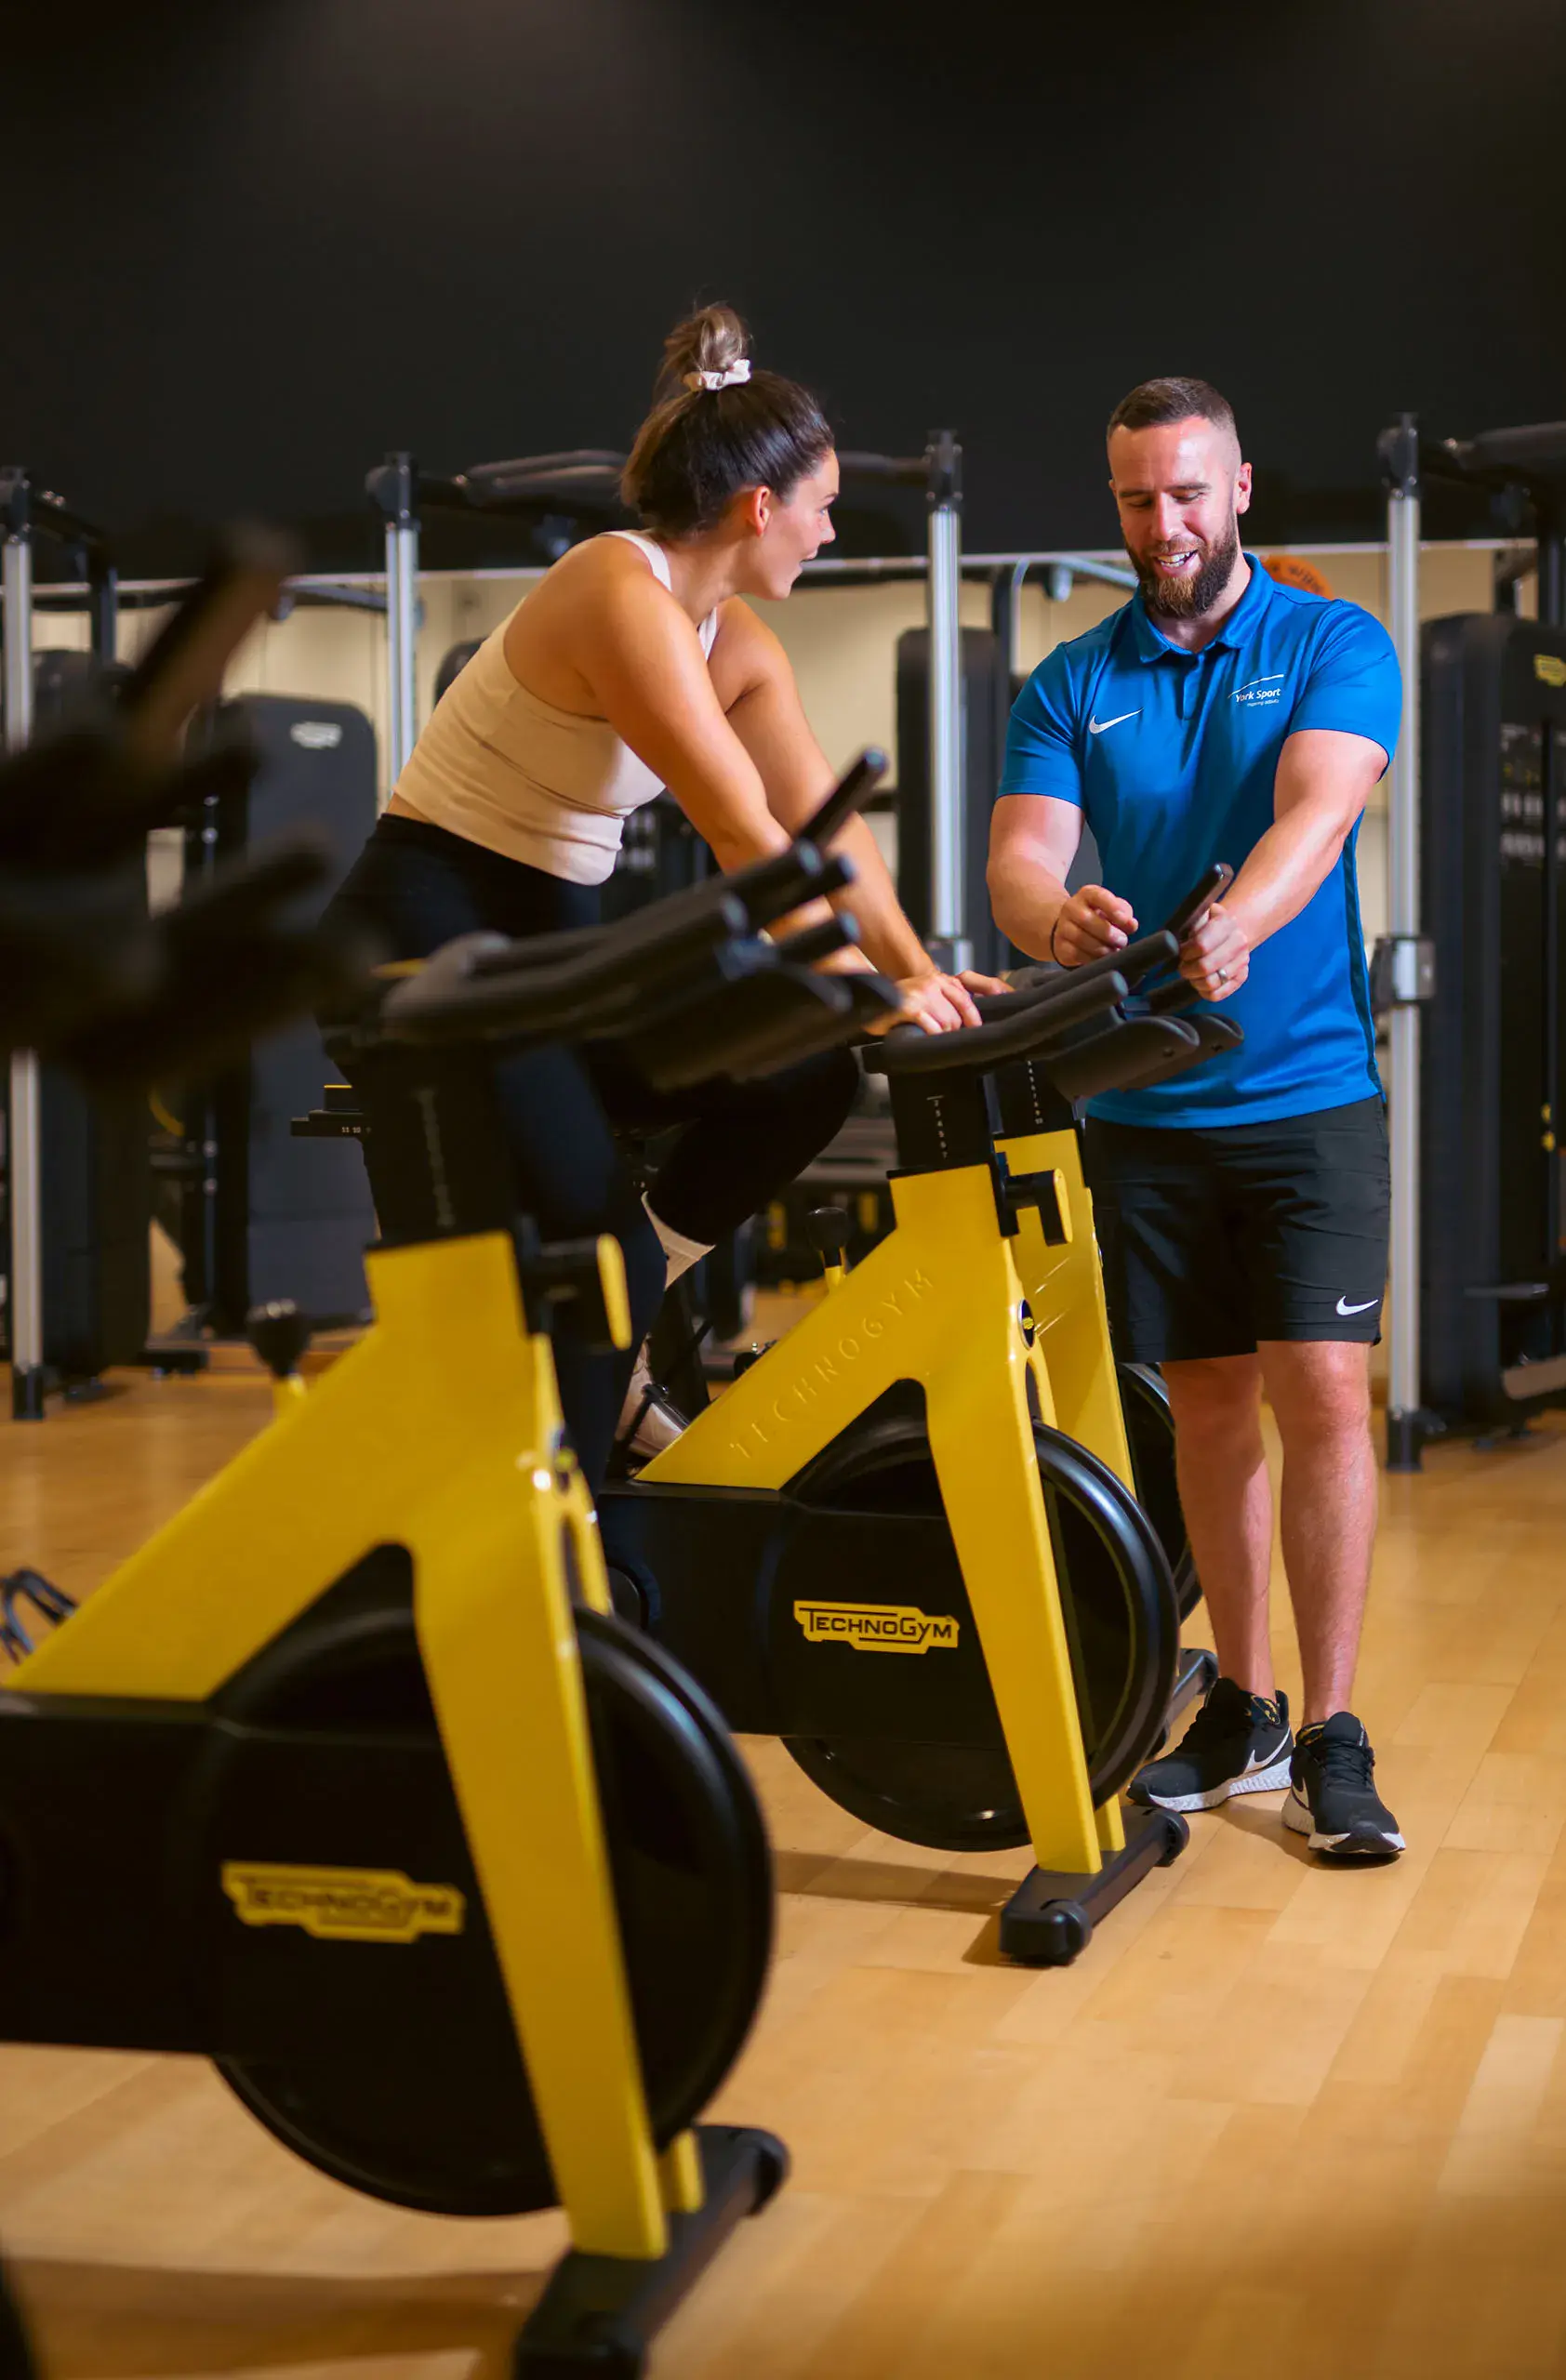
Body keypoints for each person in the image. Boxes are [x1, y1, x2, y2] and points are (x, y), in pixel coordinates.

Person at [330, 302, 1002, 1495]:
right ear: (759, 508)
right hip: (425, 941)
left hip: (551, 953)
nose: (831, 528)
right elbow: (745, 831)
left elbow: (823, 830)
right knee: (592, 1240)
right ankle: (570, 1549)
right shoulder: (616, 592)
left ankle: (620, 1326)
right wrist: (871, 983)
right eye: (822, 505)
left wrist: (916, 972)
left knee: (800, 1069)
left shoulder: (732, 639)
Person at [989, 376, 1403, 1861]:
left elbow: (1316, 814)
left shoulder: (1330, 641)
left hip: (1308, 1099)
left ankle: (1336, 1735)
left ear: (1239, 491)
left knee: (1326, 1396)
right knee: (1210, 1412)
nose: (1160, 524)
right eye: (1134, 499)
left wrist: (1239, 921)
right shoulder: (1072, 680)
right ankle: (1244, 1702)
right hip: (1151, 1111)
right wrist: (1054, 925)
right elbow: (1023, 863)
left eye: (1185, 494)